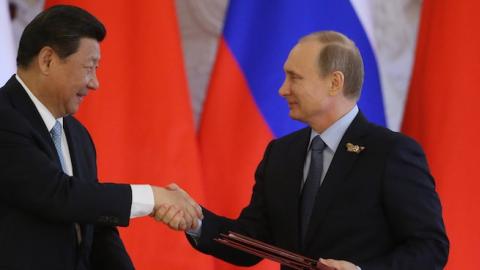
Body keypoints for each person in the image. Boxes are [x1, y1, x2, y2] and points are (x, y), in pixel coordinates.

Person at [156, 31, 449, 270]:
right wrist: (195, 220)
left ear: (335, 82)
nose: (282, 89)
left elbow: (430, 248)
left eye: (295, 77)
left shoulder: (391, 152)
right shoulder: (281, 154)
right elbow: (251, 241)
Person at [0, 5, 202, 270]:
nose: (95, 83)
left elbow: (97, 227)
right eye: (88, 67)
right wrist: (153, 198)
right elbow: (59, 195)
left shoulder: (78, 135)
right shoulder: (4, 117)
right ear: (47, 60)